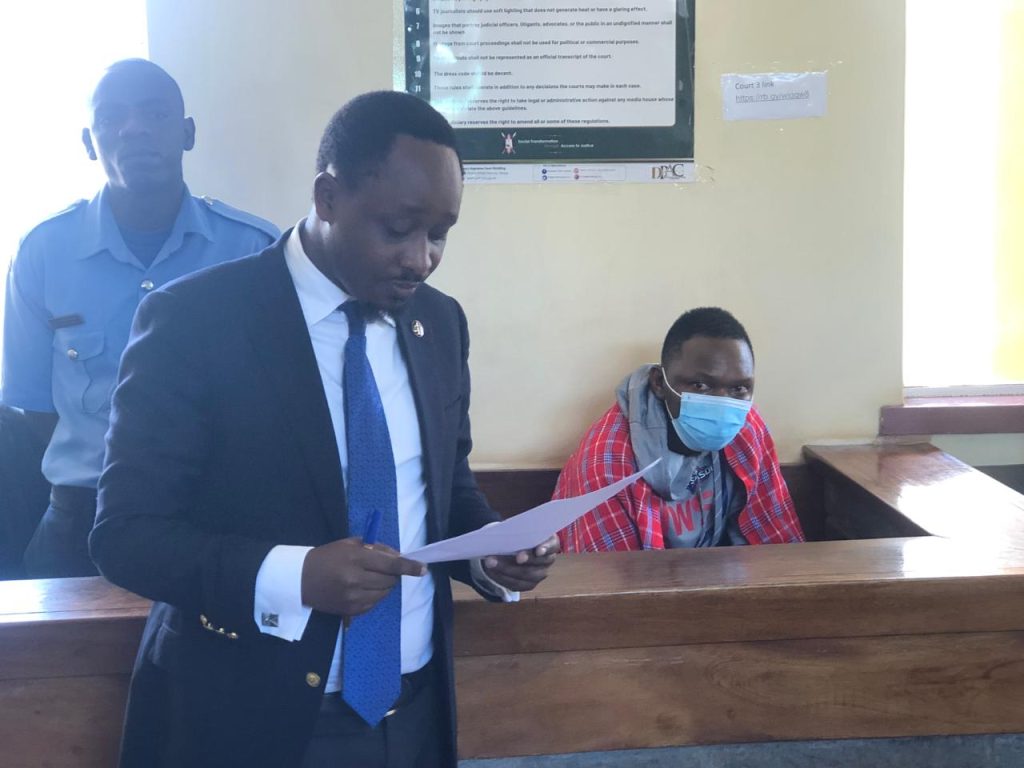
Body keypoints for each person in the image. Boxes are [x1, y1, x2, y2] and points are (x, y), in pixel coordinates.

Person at [90, 90, 559, 768]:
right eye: (399, 229)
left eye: (440, 234)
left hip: (414, 711)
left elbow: (445, 491)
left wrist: (490, 554)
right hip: (251, 721)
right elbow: (125, 536)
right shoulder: (195, 321)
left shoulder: (439, 324)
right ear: (328, 197)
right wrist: (294, 576)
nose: (421, 258)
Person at [1, 59, 279, 577]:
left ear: (187, 133)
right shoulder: (42, 251)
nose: (133, 129)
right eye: (111, 118)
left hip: (215, 517)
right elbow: (33, 407)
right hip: (80, 518)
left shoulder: (253, 249)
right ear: (89, 142)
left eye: (155, 113)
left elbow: (277, 398)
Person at [554, 307, 804, 552]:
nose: (722, 404)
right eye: (700, 385)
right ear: (659, 383)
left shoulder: (747, 426)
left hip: (726, 573)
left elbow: (779, 544)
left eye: (738, 388)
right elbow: (612, 574)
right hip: (644, 576)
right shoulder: (608, 460)